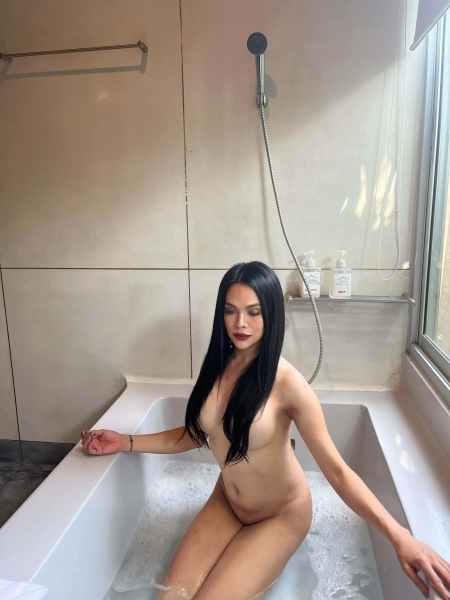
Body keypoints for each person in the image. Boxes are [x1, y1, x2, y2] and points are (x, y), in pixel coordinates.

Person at [82, 261, 450, 600]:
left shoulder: (289, 386)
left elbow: (337, 471)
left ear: (271, 314)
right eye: (230, 310)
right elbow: (197, 434)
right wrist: (125, 442)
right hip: (227, 502)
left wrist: (399, 535)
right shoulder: (218, 363)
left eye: (253, 312)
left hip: (279, 516)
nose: (240, 323)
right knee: (169, 597)